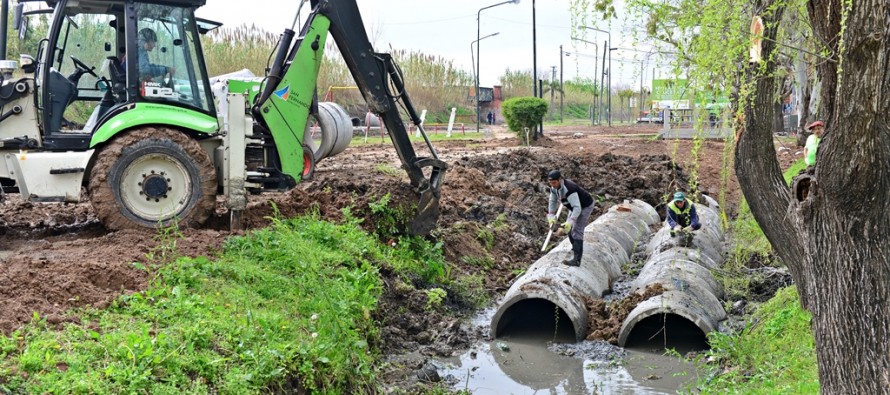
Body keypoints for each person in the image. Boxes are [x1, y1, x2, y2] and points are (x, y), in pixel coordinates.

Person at [546, 170, 595, 266]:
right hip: (573, 207)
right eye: (550, 183)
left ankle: (577, 260)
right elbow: (552, 201)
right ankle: (575, 248)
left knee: (576, 230)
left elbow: (577, 208)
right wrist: (551, 215)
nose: (553, 185)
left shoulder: (569, 189)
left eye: (554, 182)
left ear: (560, 179)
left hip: (584, 206)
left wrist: (571, 221)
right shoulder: (554, 188)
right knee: (568, 229)